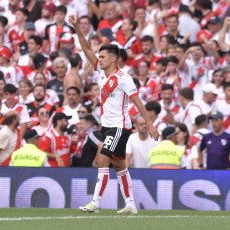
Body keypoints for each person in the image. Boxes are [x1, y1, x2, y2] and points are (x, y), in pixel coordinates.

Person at [70, 13, 159, 214]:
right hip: (108, 126)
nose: (99, 59)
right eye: (98, 56)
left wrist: (150, 124)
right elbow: (86, 49)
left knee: (103, 157)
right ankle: (130, 204)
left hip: (120, 126)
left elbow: (138, 102)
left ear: (113, 58)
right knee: (119, 166)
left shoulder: (124, 78)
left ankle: (95, 202)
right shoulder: (102, 72)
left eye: (102, 57)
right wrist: (77, 28)